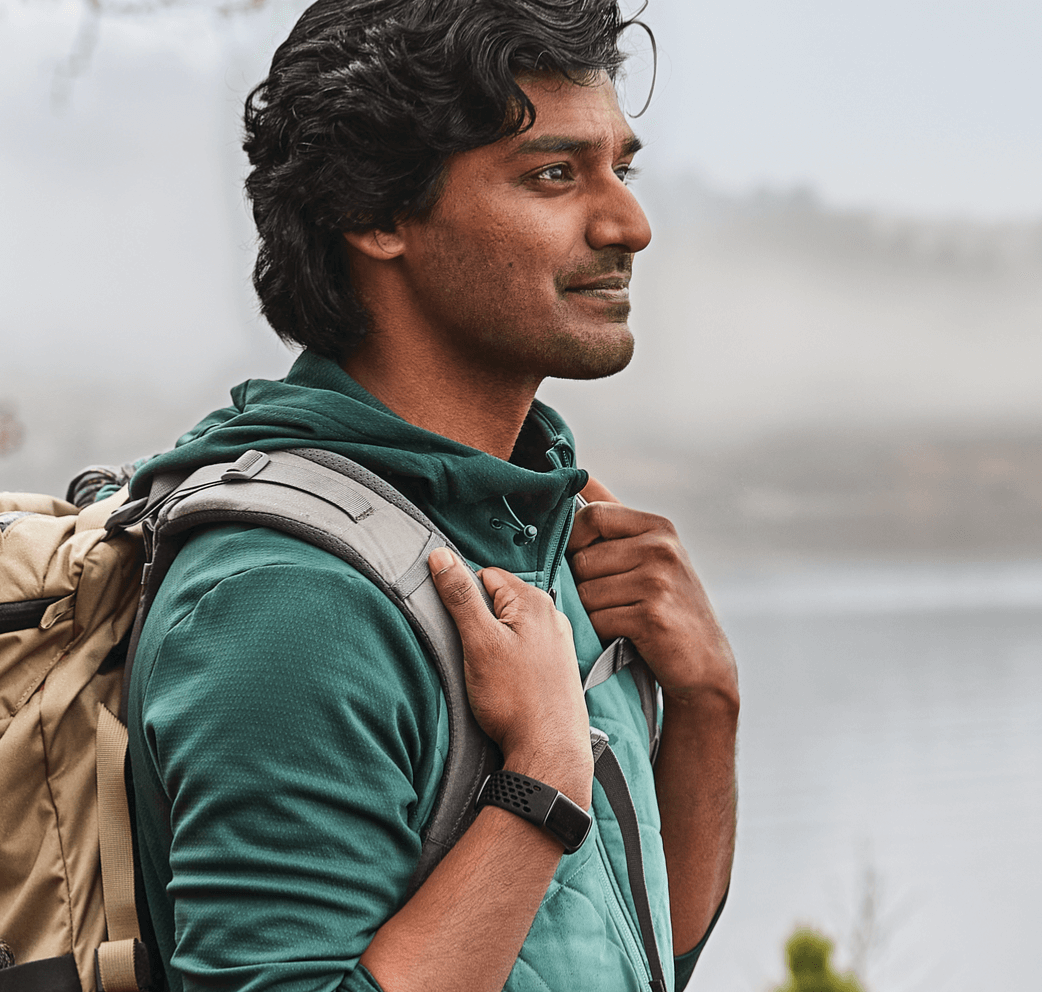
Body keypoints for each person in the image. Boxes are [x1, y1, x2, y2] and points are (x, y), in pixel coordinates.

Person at [125, 1, 739, 990]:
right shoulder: (287, 600)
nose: (630, 222)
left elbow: (629, 953)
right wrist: (538, 780)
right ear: (373, 214)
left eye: (621, 168)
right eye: (554, 173)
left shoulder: (544, 534)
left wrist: (706, 704)